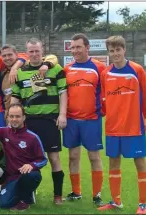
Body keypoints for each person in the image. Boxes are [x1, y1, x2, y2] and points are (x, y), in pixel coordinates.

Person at [10, 38, 68, 204]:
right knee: (27, 159)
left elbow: (63, 92)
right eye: (31, 51)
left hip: (50, 120)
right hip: (29, 122)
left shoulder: (56, 69)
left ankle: (58, 196)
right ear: (26, 52)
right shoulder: (20, 72)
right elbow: (16, 97)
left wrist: (62, 114)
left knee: (54, 158)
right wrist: (12, 118)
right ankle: (29, 193)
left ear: (42, 51)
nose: (34, 54)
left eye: (37, 51)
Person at [97, 35, 146, 214]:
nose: (115, 54)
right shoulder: (105, 73)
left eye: (118, 50)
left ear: (124, 49)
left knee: (140, 162)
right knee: (113, 162)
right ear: (109, 53)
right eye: (112, 51)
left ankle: (143, 204)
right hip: (112, 127)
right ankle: (115, 201)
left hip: (133, 126)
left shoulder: (137, 70)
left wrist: (143, 117)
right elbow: (103, 99)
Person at [61, 33, 106, 206]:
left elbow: (107, 91)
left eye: (78, 47)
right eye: (72, 47)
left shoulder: (99, 68)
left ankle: (97, 195)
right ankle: (76, 192)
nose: (75, 50)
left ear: (87, 48)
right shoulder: (67, 69)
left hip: (91, 119)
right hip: (71, 120)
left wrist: (104, 109)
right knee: (73, 157)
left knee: (94, 157)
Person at [0, 104, 47, 211]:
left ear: (24, 117)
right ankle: (19, 192)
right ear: (7, 117)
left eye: (17, 116)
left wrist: (31, 165)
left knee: (33, 176)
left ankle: (25, 199)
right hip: (11, 177)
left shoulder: (33, 137)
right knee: (4, 204)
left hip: (26, 175)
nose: (14, 119)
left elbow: (43, 159)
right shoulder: (5, 132)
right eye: (11, 116)